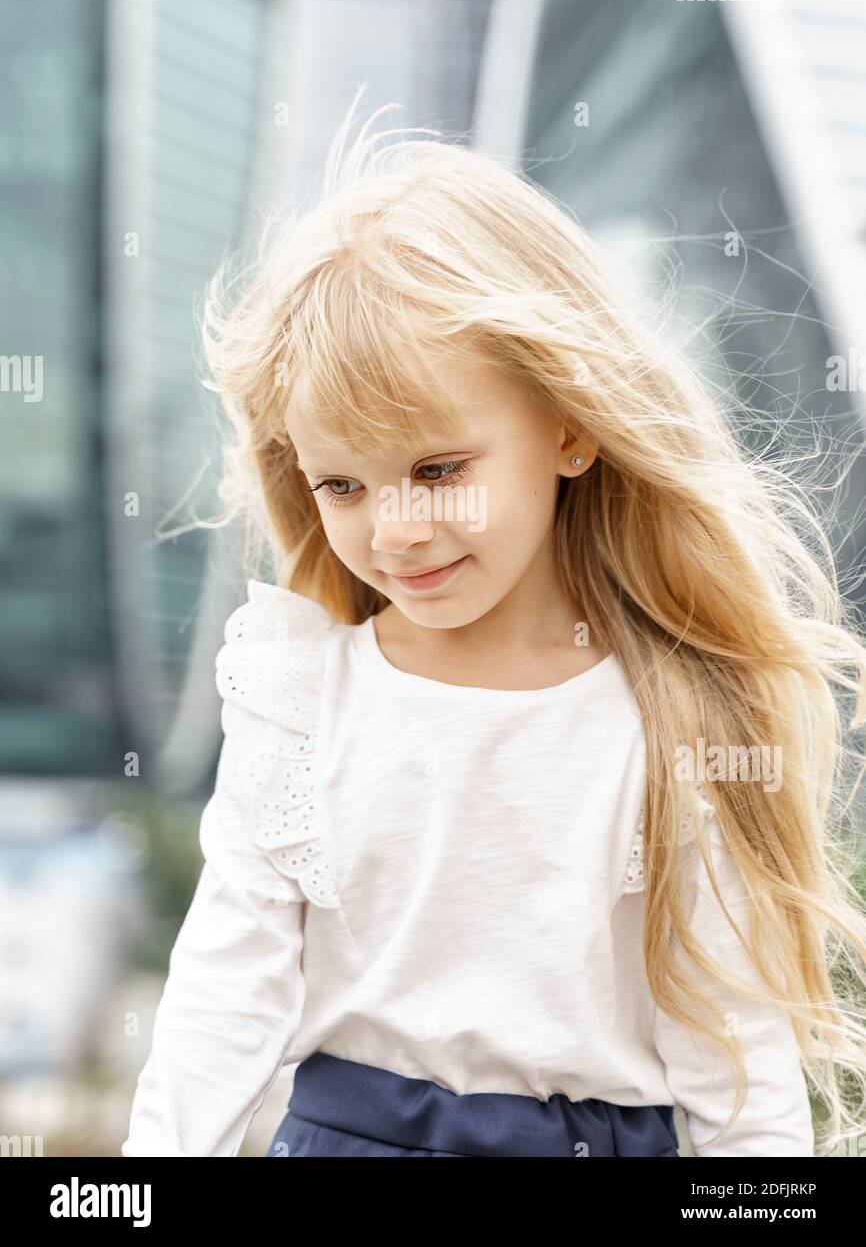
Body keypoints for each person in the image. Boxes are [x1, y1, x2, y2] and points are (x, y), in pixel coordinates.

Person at [121, 94, 866, 1157]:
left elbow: (735, 1065)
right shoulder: (296, 697)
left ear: (569, 426)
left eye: (436, 468)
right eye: (344, 484)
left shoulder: (676, 715)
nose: (396, 529)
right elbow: (219, 1001)